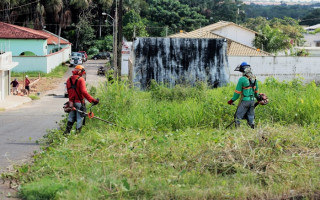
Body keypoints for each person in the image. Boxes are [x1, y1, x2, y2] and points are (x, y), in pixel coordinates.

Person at [64, 65, 99, 134]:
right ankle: (77, 134)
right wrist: (93, 100)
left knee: (71, 117)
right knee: (80, 118)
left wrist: (71, 100)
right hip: (79, 103)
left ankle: (67, 133)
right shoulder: (81, 79)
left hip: (71, 104)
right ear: (80, 72)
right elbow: (84, 92)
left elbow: (68, 91)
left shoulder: (69, 79)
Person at [227, 62, 260, 129]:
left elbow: (237, 93)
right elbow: (256, 92)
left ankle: (237, 130)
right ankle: (252, 128)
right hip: (252, 101)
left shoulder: (242, 79)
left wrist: (231, 101)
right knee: (251, 116)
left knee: (238, 116)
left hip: (245, 101)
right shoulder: (254, 79)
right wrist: (258, 99)